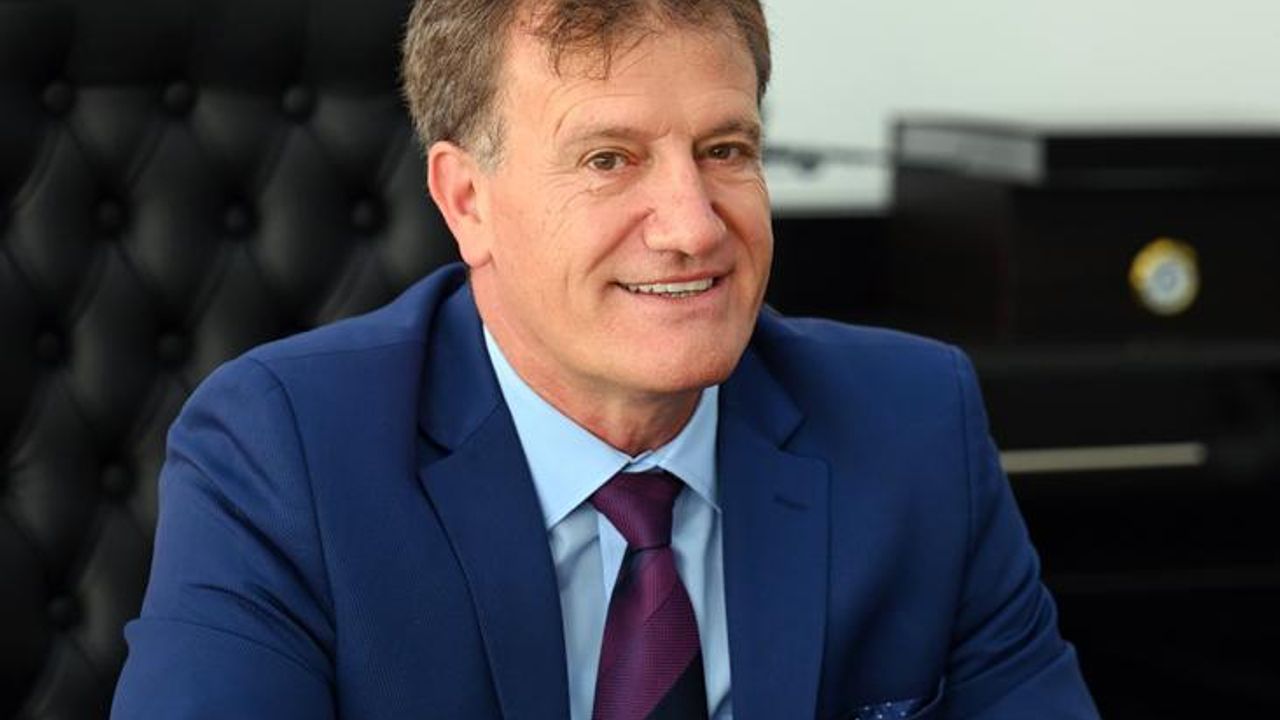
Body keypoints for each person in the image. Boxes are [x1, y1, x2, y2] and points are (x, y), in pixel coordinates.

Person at [112, 0, 1099, 718]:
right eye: (609, 159)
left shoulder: (913, 422)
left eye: (724, 149)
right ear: (466, 201)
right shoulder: (282, 450)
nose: (693, 227)